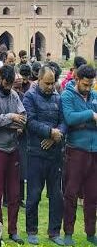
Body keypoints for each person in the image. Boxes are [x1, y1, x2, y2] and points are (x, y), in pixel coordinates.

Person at [23, 66, 66, 246]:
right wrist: (49, 132)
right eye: (47, 83)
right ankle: (31, 231)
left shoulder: (58, 97)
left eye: (52, 83)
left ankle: (54, 232)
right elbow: (30, 121)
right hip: (36, 154)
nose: (50, 87)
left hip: (55, 155)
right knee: (34, 195)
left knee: (56, 196)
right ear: (39, 80)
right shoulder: (29, 97)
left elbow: (64, 121)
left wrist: (55, 136)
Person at [0, 64, 26, 245]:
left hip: (13, 149)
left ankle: (13, 231)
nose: (9, 87)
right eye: (7, 83)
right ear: (0, 79)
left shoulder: (14, 95)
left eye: (11, 84)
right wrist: (11, 117)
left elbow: (23, 118)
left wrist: (13, 122)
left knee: (15, 193)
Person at [61, 64, 97, 246]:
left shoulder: (95, 95)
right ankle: (68, 233)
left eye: (90, 84)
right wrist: (91, 115)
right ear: (76, 79)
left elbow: (77, 119)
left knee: (93, 195)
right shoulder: (67, 96)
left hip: (94, 151)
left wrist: (82, 120)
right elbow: (69, 118)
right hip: (75, 150)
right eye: (85, 84)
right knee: (71, 193)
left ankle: (90, 233)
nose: (88, 88)